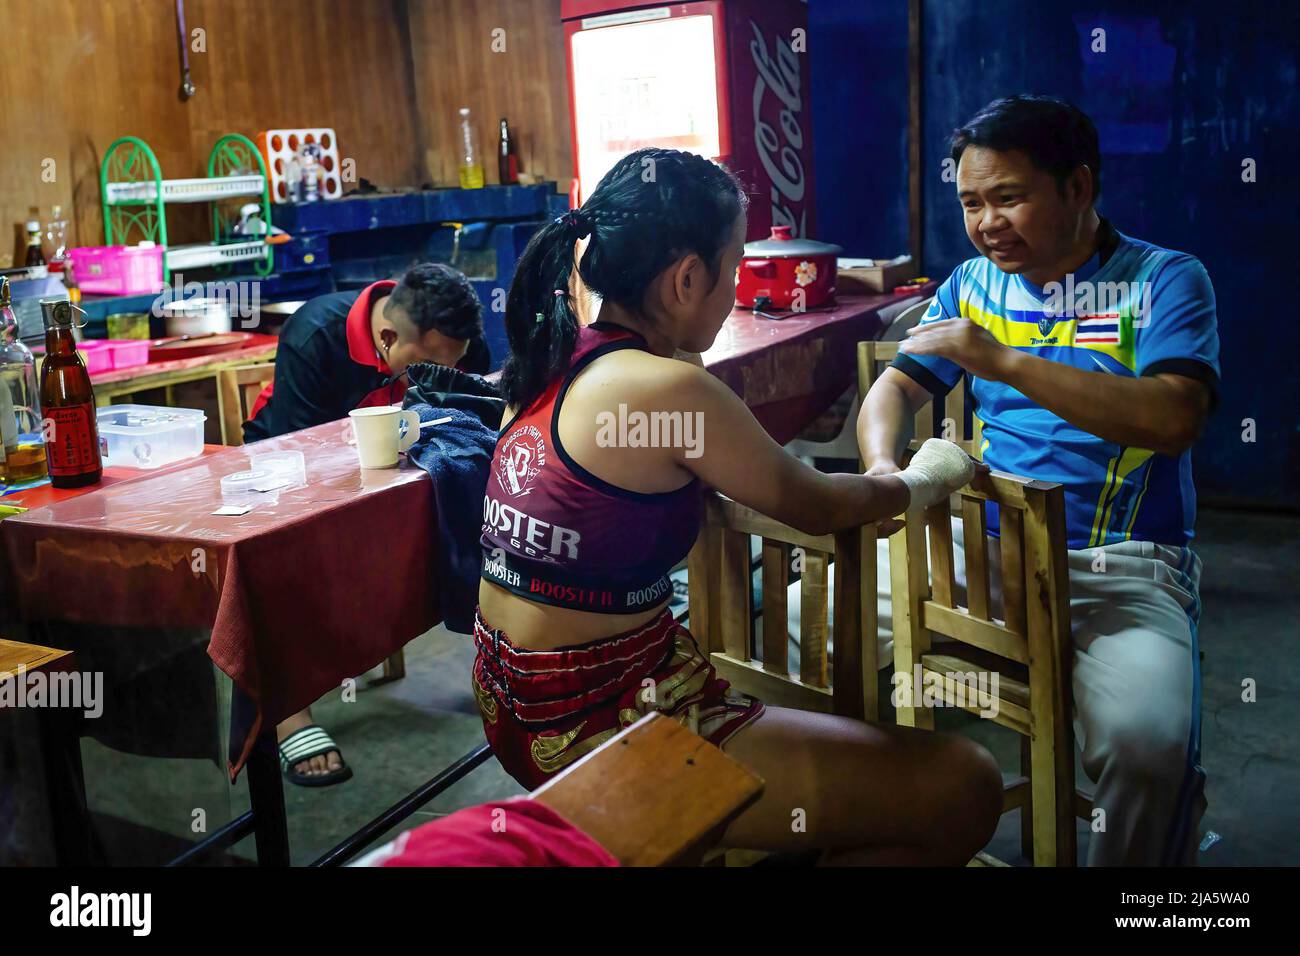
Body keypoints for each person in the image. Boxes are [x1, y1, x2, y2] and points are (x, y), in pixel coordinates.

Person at [473, 147, 1003, 864]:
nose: (739, 292)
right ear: (688, 278)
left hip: (513, 696)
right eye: (736, 268)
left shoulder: (549, 358)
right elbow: (815, 504)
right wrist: (927, 475)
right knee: (964, 784)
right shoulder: (664, 391)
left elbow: (678, 445)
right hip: (605, 718)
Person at [858, 95, 1219, 865]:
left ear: (1079, 187)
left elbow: (1172, 417)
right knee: (807, 629)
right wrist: (883, 467)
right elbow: (894, 387)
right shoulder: (971, 283)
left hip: (1119, 566)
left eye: (1009, 197)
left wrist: (1002, 360)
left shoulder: (1164, 280)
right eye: (970, 203)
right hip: (978, 546)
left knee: (1149, 745)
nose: (987, 222)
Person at [247, 262, 487, 786]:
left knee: (478, 491)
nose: (441, 372)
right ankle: (290, 712)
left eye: (455, 360)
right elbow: (295, 451)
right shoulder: (313, 335)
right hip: (290, 464)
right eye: (424, 365)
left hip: (393, 460)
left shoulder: (448, 334)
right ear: (386, 338)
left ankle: (502, 665)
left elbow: (476, 404)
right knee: (285, 542)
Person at [244, 263, 488, 443]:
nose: (445, 377)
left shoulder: (458, 336)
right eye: (430, 367)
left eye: (454, 365)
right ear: (388, 338)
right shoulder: (314, 337)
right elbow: (294, 446)